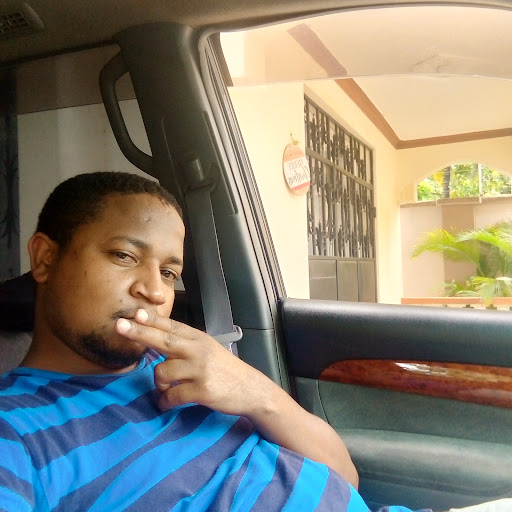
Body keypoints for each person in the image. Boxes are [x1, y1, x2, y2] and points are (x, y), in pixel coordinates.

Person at [0, 171, 503, 512]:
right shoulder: (14, 430)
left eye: (169, 272)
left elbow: (342, 475)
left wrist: (255, 391)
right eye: (125, 256)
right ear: (44, 258)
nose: (155, 291)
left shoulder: (186, 367)